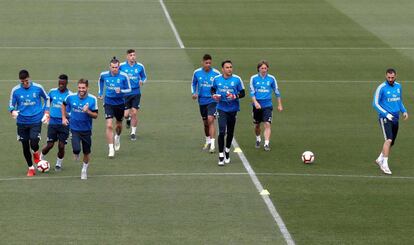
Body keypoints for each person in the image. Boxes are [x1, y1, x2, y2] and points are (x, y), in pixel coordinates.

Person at [8, 69, 49, 177]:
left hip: (36, 120)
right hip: (21, 122)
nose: (25, 83)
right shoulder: (15, 90)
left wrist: (46, 112)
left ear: (29, 78)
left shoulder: (38, 87)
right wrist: (13, 111)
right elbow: (11, 104)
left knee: (34, 142)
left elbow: (47, 98)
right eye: (22, 82)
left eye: (26, 81)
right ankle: (31, 168)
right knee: (25, 146)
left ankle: (35, 152)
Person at [373, 68, 408, 175]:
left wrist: (404, 111)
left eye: (392, 77)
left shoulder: (398, 86)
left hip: (396, 118)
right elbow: (375, 104)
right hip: (385, 118)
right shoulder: (381, 88)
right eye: (388, 77)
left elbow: (399, 101)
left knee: (391, 142)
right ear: (385, 76)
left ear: (395, 76)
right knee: (388, 139)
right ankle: (385, 164)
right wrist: (386, 114)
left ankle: (379, 159)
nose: (390, 79)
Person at [62, 79, 98, 180]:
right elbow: (63, 105)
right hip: (74, 128)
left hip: (86, 129)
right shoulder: (71, 97)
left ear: (87, 87)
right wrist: (64, 117)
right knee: (76, 149)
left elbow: (95, 115)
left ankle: (84, 170)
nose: (81, 90)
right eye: (79, 88)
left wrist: (88, 111)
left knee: (86, 152)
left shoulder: (92, 99)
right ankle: (76, 152)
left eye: (83, 88)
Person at [211, 60, 245, 166]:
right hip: (221, 108)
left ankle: (227, 151)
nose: (229, 69)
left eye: (230, 67)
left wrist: (235, 96)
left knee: (230, 132)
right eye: (227, 67)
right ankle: (221, 156)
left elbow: (243, 93)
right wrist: (214, 96)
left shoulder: (237, 79)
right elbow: (212, 90)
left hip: (233, 109)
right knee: (222, 131)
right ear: (222, 69)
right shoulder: (216, 79)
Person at [98, 57, 131, 158]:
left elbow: (129, 89)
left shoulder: (124, 76)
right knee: (109, 125)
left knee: (119, 125)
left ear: (118, 67)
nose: (114, 69)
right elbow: (100, 81)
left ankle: (117, 137)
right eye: (113, 67)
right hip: (108, 102)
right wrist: (100, 92)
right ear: (110, 67)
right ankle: (111, 148)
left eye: (116, 67)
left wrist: (121, 91)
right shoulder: (104, 75)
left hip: (120, 103)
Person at [40, 74, 72, 171]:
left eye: (63, 83)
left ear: (66, 83)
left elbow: (71, 110)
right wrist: (46, 113)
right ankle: (40, 159)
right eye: (59, 83)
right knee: (50, 145)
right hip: (53, 122)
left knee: (61, 146)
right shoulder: (52, 92)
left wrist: (67, 115)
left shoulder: (70, 95)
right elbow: (48, 102)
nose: (61, 85)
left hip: (64, 123)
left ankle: (58, 164)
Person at [249, 60, 283, 151]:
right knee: (257, 125)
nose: (264, 70)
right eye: (262, 68)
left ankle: (266, 143)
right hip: (257, 105)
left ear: (267, 68)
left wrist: (279, 104)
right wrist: (255, 103)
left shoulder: (271, 78)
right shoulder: (253, 78)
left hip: (267, 105)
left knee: (267, 124)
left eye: (265, 68)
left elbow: (276, 91)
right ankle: (258, 139)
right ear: (258, 69)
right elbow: (252, 92)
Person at [191, 54, 221, 153]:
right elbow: (193, 83)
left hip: (212, 100)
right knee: (205, 123)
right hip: (202, 100)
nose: (208, 65)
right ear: (202, 62)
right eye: (206, 63)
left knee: (210, 119)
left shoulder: (216, 73)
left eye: (209, 63)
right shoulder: (197, 72)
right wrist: (194, 93)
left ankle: (212, 145)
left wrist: (218, 95)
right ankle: (207, 140)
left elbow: (219, 85)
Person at [119, 49, 147, 140]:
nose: (133, 57)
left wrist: (142, 81)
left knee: (134, 113)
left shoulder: (140, 66)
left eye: (134, 55)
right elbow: (116, 75)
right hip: (125, 93)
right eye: (131, 55)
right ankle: (128, 119)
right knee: (126, 114)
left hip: (136, 93)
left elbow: (144, 77)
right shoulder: (121, 66)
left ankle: (133, 132)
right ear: (127, 56)